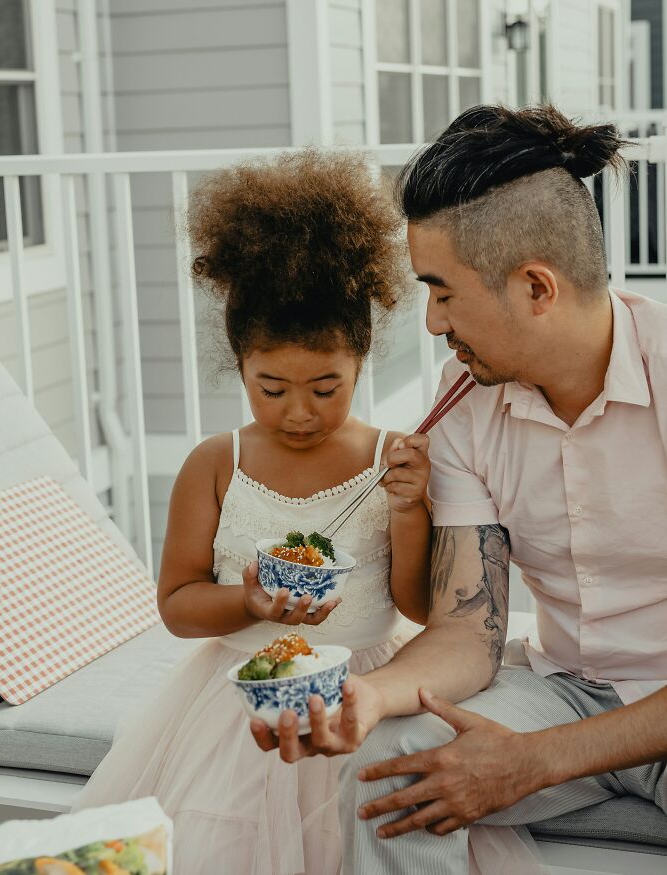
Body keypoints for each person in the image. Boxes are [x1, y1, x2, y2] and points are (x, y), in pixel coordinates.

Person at [250, 106, 667, 874]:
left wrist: (537, 759)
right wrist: (372, 696)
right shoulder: (464, 399)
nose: (435, 322)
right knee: (389, 767)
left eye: (442, 292)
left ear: (536, 286)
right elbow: (469, 629)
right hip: (564, 684)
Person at [71, 150, 435, 874]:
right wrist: (249, 599)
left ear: (363, 360)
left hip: (362, 698)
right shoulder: (217, 463)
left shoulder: (390, 459)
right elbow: (176, 603)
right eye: (271, 388)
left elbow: (419, 606)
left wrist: (411, 511)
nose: (299, 412)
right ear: (238, 363)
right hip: (238, 702)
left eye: (326, 387)